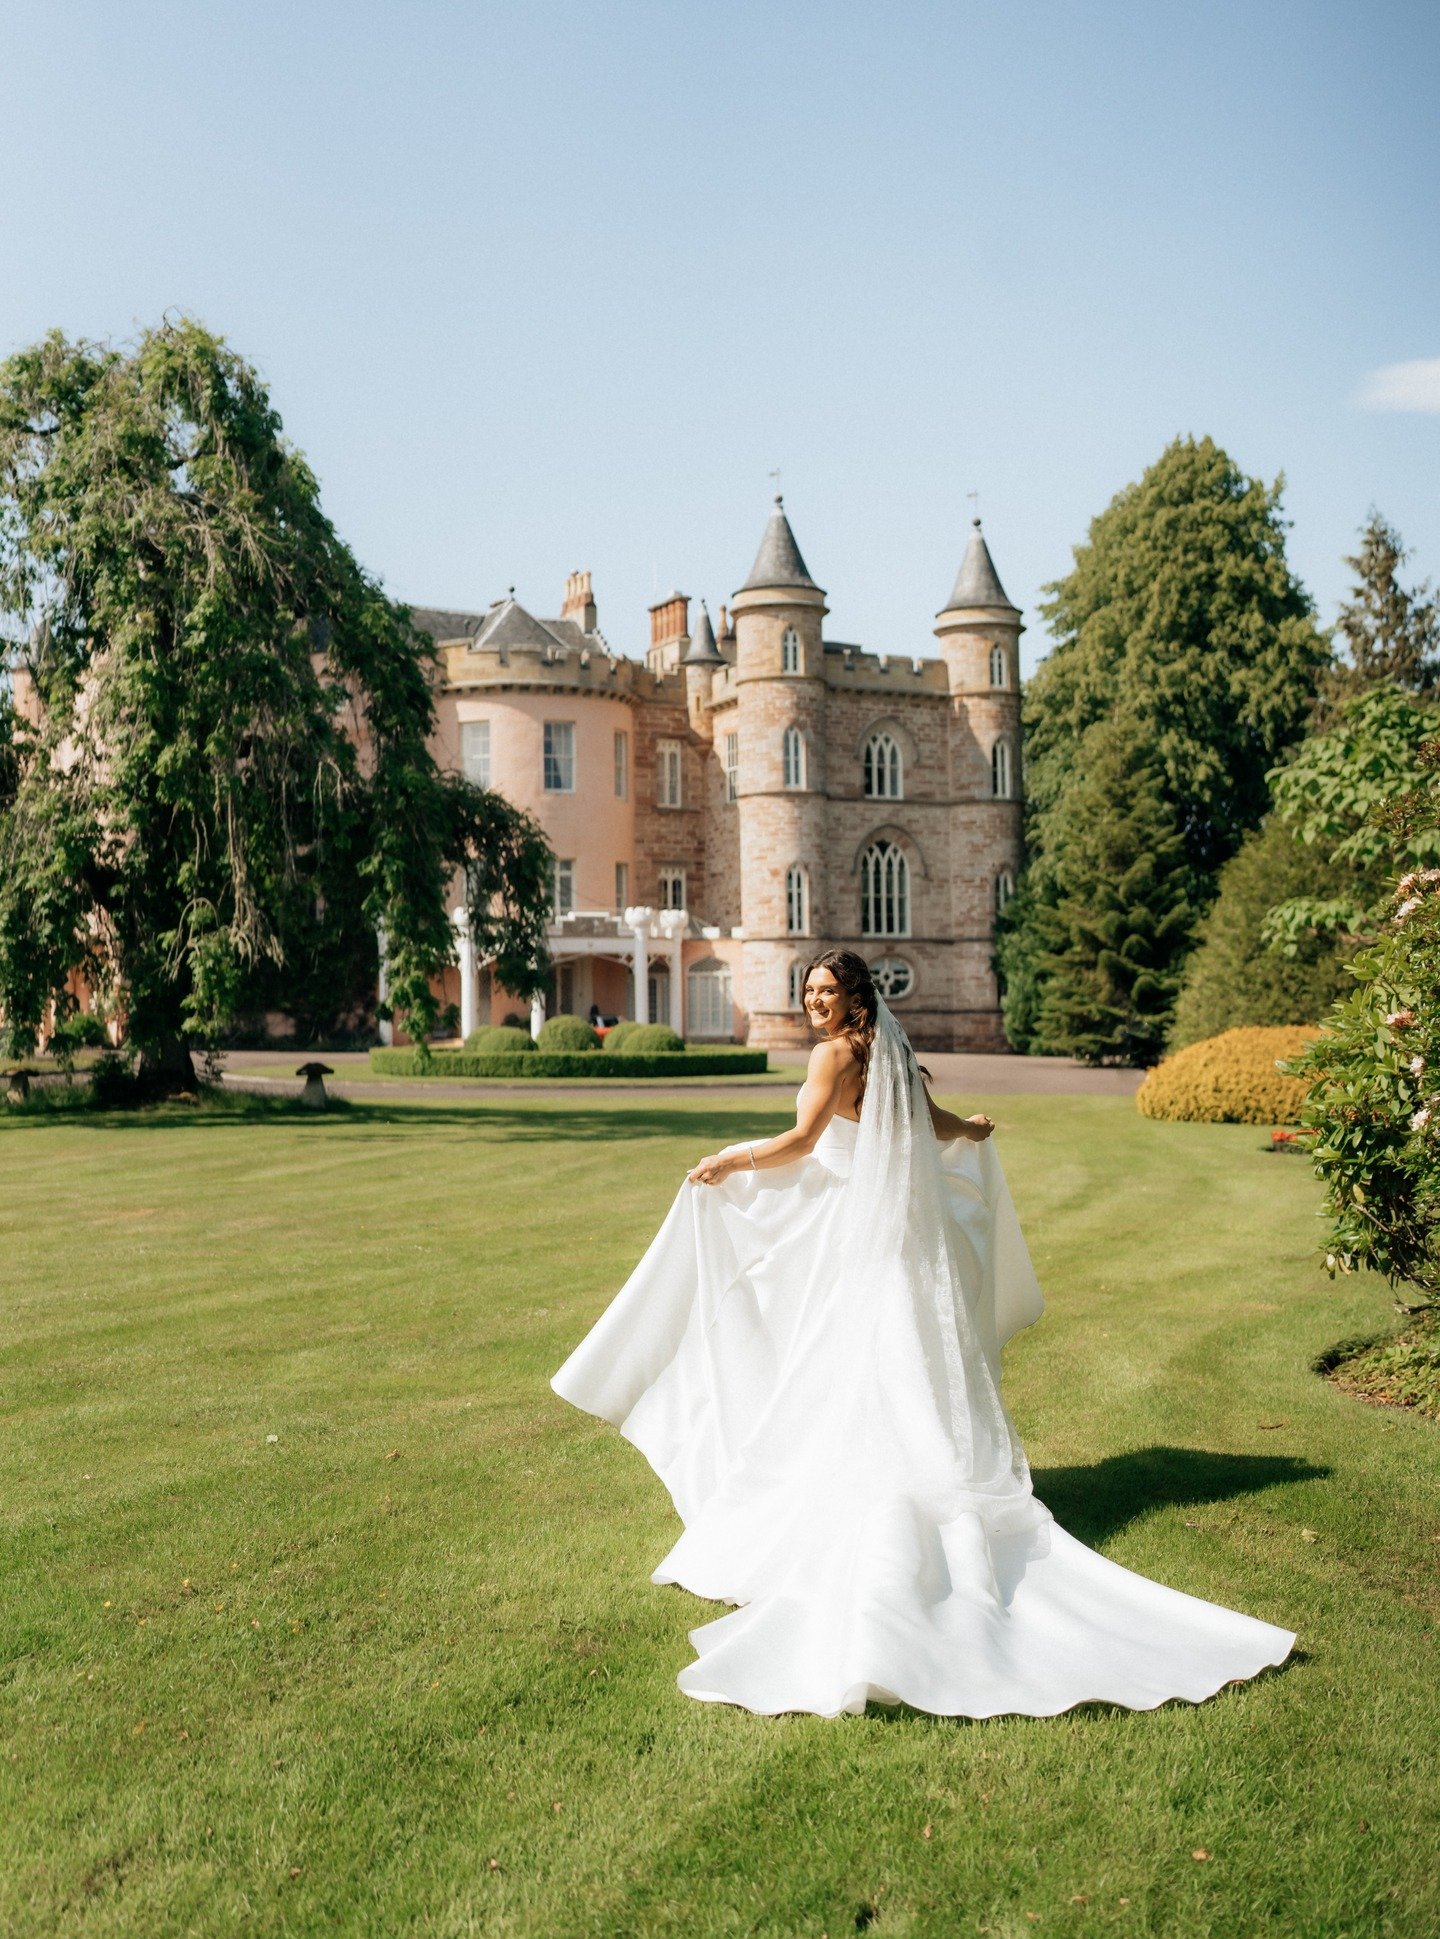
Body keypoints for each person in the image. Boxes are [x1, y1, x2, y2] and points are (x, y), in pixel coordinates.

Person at [551, 949, 1295, 1717]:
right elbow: (922, 1120)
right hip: (903, 1241)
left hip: (857, 1236)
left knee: (837, 1357)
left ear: (852, 998)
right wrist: (965, 1127)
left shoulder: (834, 1055)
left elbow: (804, 1140)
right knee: (906, 1361)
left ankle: (865, 1495)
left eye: (826, 991)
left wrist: (728, 1159)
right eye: (808, 990)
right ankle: (918, 1472)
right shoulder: (889, 1047)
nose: (815, 1002)